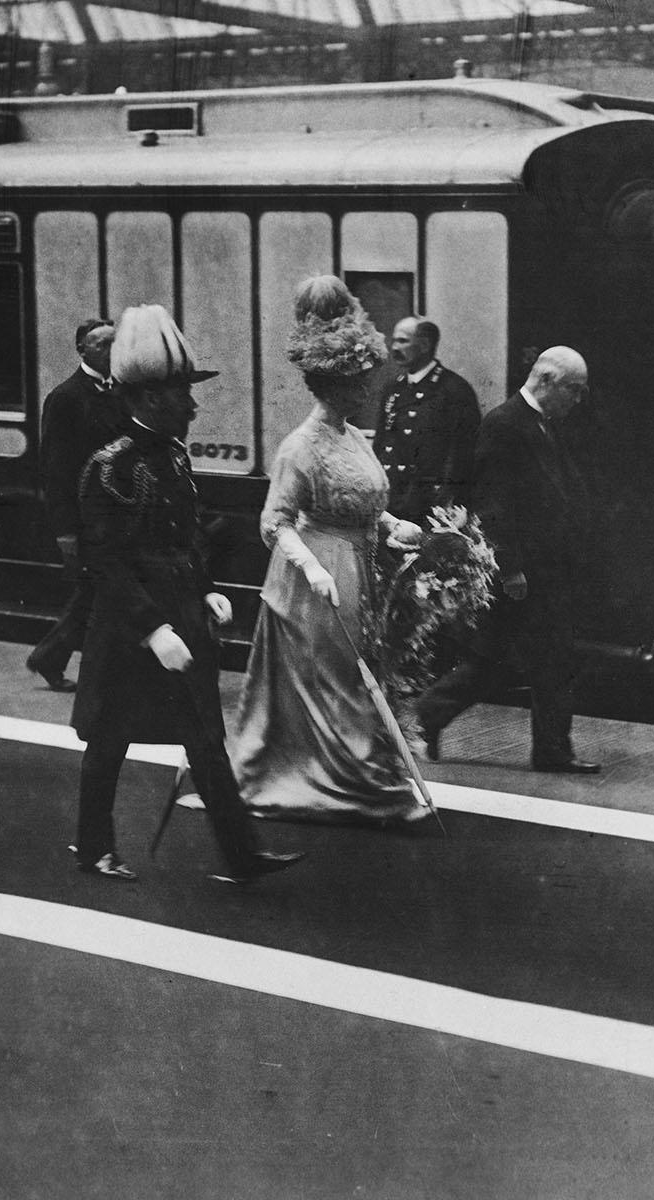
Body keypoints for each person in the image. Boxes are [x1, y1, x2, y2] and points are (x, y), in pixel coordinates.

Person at [70, 304, 304, 885]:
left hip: (179, 610)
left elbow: (187, 533)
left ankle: (241, 853)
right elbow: (105, 562)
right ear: (150, 399)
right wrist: (152, 629)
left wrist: (206, 589)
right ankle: (93, 844)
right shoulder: (109, 469)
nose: (194, 406)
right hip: (132, 623)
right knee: (110, 737)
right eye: (182, 394)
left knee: (205, 737)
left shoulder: (173, 454)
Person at [226, 276, 426, 824]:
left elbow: (364, 504)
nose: (366, 388)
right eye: (357, 381)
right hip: (317, 578)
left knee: (361, 674)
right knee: (341, 681)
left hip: (360, 568)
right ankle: (364, 788)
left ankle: (366, 777)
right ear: (332, 384)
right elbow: (275, 522)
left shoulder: (352, 437)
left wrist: (394, 525)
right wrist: (311, 565)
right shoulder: (300, 446)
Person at [415, 346, 602, 774]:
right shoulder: (505, 424)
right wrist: (512, 565)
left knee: (510, 660)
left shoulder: (540, 423)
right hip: (524, 572)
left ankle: (435, 714)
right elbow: (492, 501)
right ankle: (549, 751)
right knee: (528, 660)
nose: (577, 400)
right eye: (575, 390)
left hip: (544, 569)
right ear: (548, 380)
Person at [24, 317, 118, 692]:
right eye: (102, 345)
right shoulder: (66, 397)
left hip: (111, 513)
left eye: (116, 343)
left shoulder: (118, 391)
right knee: (95, 590)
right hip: (83, 518)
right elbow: (55, 469)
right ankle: (52, 656)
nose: (112, 351)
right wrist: (64, 531)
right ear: (82, 349)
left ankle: (50, 656)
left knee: (94, 590)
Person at [374, 316, 481, 526]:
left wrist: (450, 500)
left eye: (403, 341)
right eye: (394, 341)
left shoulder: (453, 390)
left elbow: (463, 455)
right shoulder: (393, 389)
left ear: (424, 345)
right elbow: (382, 443)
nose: (394, 347)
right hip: (391, 502)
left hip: (428, 506)